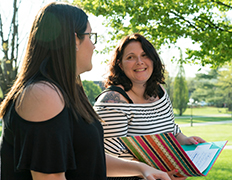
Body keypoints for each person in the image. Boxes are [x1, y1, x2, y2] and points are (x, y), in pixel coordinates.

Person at [0, 2, 171, 180]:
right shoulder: (42, 94)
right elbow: (51, 177)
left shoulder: (69, 89)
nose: (93, 46)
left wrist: (142, 169)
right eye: (90, 36)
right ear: (75, 40)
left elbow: (88, 158)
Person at [93, 33, 206, 179]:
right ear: (120, 65)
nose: (139, 62)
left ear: (153, 60)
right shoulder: (112, 101)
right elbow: (107, 156)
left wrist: (184, 139)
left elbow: (171, 128)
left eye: (145, 55)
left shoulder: (160, 92)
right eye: (131, 57)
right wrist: (157, 171)